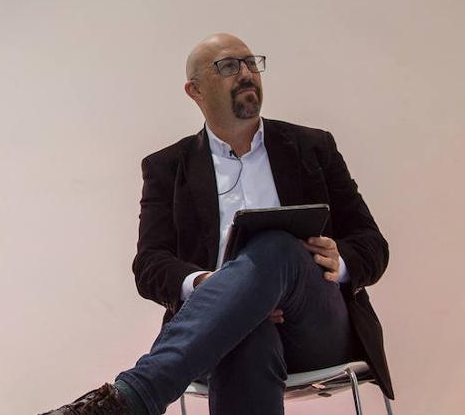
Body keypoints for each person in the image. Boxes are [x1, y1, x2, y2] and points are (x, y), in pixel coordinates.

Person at [42, 33, 392, 415]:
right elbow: (150, 266)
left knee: (275, 246)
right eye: (228, 66)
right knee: (245, 332)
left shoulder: (312, 147)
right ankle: (137, 393)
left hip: (316, 324)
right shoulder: (167, 167)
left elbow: (371, 242)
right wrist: (211, 284)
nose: (245, 73)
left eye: (250, 63)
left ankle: (130, 398)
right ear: (195, 91)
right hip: (224, 333)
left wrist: (340, 261)